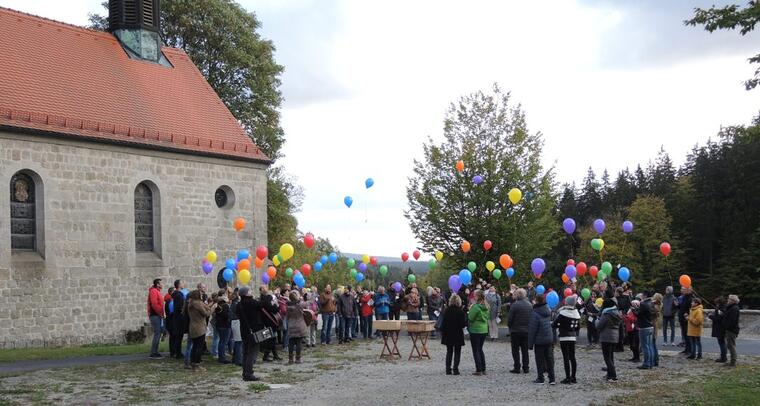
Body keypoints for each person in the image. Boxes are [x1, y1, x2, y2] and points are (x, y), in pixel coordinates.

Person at [237, 287, 264, 381]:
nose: (251, 292)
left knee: (246, 352)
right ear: (246, 294)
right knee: (252, 352)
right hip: (253, 330)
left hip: (244, 330)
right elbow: (262, 304)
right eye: (250, 291)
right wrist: (266, 295)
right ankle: (249, 373)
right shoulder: (251, 302)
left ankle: (245, 372)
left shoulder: (239, 304)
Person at [528, 294, 555, 385]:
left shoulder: (535, 312)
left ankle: (540, 378)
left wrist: (530, 344)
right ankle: (552, 378)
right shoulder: (548, 309)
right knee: (549, 358)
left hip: (539, 340)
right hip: (549, 337)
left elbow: (532, 329)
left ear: (536, 300)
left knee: (539, 359)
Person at [553, 295, 580, 384]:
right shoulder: (576, 313)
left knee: (566, 358)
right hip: (573, 337)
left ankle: (567, 378)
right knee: (572, 357)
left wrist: (561, 325)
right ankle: (574, 377)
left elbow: (555, 324)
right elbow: (577, 328)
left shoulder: (563, 313)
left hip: (564, 337)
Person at [187, 289, 215, 371]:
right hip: (199, 327)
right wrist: (213, 308)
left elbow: (206, 307)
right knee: (199, 347)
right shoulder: (197, 304)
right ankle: (197, 365)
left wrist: (208, 305)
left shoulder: (191, 303)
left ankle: (193, 363)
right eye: (201, 294)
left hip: (193, 327)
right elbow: (206, 314)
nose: (202, 295)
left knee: (195, 346)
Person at [440, 294, 466, 375]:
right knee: (457, 352)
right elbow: (463, 324)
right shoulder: (461, 312)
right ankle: (455, 369)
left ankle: (448, 369)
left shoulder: (446, 311)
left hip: (448, 333)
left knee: (449, 351)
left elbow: (443, 323)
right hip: (457, 333)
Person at [596, 298, 621, 383]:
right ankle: (609, 374)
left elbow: (599, 326)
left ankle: (613, 376)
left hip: (606, 337)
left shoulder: (606, 314)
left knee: (607, 357)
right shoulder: (616, 312)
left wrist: (597, 321)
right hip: (614, 337)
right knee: (611, 357)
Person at [507, 288, 532, 374]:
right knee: (525, 350)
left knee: (515, 350)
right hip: (526, 330)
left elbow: (510, 319)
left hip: (515, 330)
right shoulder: (530, 305)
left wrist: (510, 327)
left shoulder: (514, 305)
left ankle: (517, 367)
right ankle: (526, 367)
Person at [467, 290, 489, 376]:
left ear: (477, 297)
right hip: (483, 329)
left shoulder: (475, 307)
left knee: (475, 350)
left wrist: (470, 310)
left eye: (474, 295)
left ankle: (478, 369)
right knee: (480, 349)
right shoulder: (486, 306)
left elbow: (470, 318)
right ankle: (483, 369)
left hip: (475, 330)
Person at [259, 285, 282, 362]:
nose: (267, 289)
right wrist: (278, 307)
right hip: (268, 322)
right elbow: (272, 308)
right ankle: (265, 356)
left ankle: (275, 355)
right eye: (265, 288)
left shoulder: (265, 298)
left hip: (269, 322)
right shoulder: (265, 299)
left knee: (272, 339)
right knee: (270, 339)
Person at [286, 291, 308, 364]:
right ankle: (298, 359)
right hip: (299, 325)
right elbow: (309, 302)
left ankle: (290, 359)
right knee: (298, 342)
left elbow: (287, 317)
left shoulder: (288, 306)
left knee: (291, 342)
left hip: (291, 325)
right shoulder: (299, 305)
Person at [636, 291, 655, 369]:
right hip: (650, 326)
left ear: (645, 295)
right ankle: (651, 363)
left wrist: (634, 309)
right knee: (650, 346)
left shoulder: (643, 304)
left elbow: (638, 314)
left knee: (645, 346)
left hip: (644, 327)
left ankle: (646, 364)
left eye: (642, 295)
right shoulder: (651, 303)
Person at [147, 278, 165, 359]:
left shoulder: (157, 291)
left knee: (159, 333)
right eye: (161, 283)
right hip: (155, 315)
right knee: (157, 333)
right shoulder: (153, 291)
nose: (162, 284)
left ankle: (155, 351)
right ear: (157, 284)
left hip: (158, 315)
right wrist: (160, 313)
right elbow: (154, 304)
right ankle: (153, 353)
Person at [170, 280, 186, 359]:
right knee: (179, 336)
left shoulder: (177, 294)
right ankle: (178, 353)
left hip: (177, 317)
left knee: (178, 336)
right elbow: (179, 307)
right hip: (179, 318)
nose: (184, 284)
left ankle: (177, 352)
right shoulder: (178, 295)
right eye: (182, 283)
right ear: (179, 285)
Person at [215, 291, 232, 364]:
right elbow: (226, 315)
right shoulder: (225, 305)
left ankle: (221, 356)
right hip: (224, 325)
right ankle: (222, 357)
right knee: (223, 342)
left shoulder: (219, 305)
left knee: (221, 341)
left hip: (220, 325)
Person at [723, 295, 740, 367]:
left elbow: (732, 321)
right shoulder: (731, 308)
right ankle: (732, 361)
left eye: (729, 299)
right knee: (730, 345)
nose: (728, 300)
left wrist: (727, 327)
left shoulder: (734, 308)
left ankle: (733, 362)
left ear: (733, 301)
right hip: (730, 329)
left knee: (731, 346)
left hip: (731, 330)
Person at [709, 296, 727, 363]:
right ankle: (723, 356)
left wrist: (711, 316)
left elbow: (718, 319)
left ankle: (723, 357)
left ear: (719, 303)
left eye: (717, 303)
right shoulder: (722, 308)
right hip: (720, 328)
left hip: (720, 328)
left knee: (722, 343)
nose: (716, 304)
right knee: (722, 343)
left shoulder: (721, 309)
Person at [678, 287, 694, 354]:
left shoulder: (690, 298)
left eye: (684, 289)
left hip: (686, 318)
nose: (682, 290)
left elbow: (691, 308)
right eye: (682, 289)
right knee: (684, 334)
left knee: (688, 335)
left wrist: (687, 314)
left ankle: (690, 350)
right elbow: (682, 307)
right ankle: (686, 349)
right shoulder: (684, 297)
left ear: (689, 290)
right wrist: (677, 305)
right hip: (682, 318)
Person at [229, 290, 243, 366]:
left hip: (234, 322)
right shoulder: (236, 304)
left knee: (237, 341)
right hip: (236, 321)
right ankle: (238, 360)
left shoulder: (233, 303)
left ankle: (235, 358)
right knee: (239, 341)